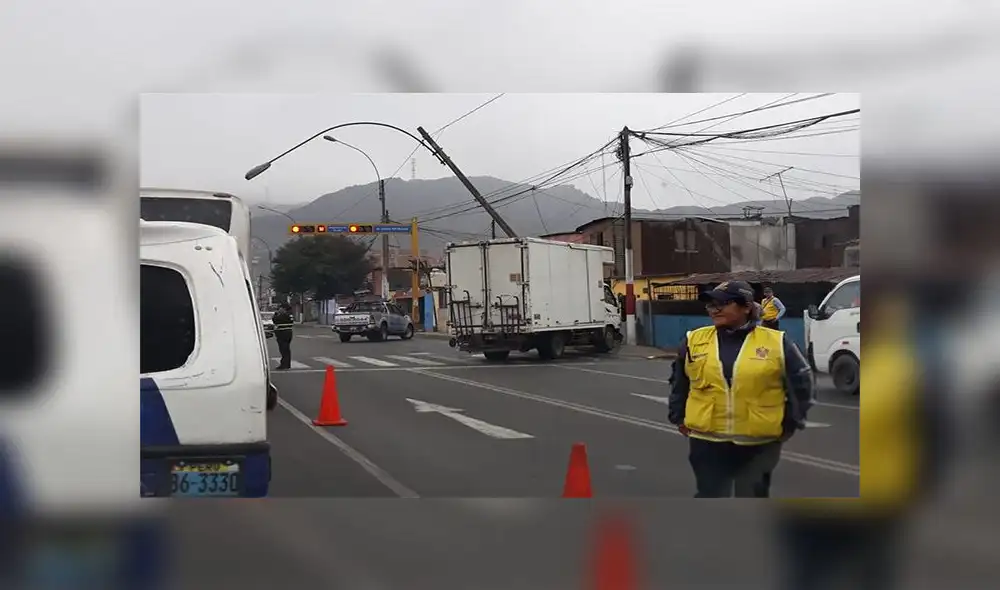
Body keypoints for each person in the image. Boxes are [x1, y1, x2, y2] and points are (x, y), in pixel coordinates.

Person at [667, 280, 814, 498]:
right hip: (707, 441)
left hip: (758, 442)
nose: (714, 310)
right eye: (710, 304)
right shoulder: (693, 340)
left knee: (752, 497)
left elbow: (802, 381)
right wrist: (677, 416)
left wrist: (792, 421)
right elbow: (680, 382)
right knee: (710, 497)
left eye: (723, 304)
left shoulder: (775, 341)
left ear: (746, 307)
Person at [272, 304, 294, 370]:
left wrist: (276, 314)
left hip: (283, 334)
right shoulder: (290, 315)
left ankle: (284, 364)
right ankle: (287, 364)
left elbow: (275, 320)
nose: (279, 309)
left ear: (284, 309)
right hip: (288, 333)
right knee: (286, 350)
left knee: (283, 350)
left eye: (280, 308)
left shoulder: (283, 315)